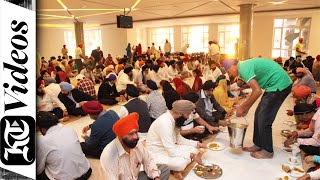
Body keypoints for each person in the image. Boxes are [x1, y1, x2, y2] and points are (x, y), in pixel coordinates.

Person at [225, 58, 292, 159]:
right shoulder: (242, 67)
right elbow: (256, 90)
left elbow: (257, 91)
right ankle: (258, 144)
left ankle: (267, 150)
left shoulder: (243, 68)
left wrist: (243, 106)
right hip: (273, 85)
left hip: (279, 85)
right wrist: (246, 108)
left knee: (264, 118)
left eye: (228, 70)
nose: (229, 73)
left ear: (232, 66)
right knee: (258, 114)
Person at [146, 100, 206, 179]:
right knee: (180, 164)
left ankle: (174, 169)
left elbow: (178, 138)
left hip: (168, 148)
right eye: (187, 114)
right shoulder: (165, 122)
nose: (188, 117)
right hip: (157, 153)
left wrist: (196, 144)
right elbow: (171, 150)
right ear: (180, 113)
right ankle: (175, 168)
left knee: (195, 149)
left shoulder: (174, 120)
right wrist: (191, 155)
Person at [100, 112, 170, 180]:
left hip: (136, 177)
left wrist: (156, 177)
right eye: (131, 134)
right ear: (120, 136)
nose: (136, 137)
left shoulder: (135, 143)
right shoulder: (109, 155)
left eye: (136, 132)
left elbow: (148, 160)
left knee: (164, 168)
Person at [36, 111, 92, 180]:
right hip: (86, 171)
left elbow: (39, 169)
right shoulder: (70, 129)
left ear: (43, 129)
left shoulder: (43, 140)